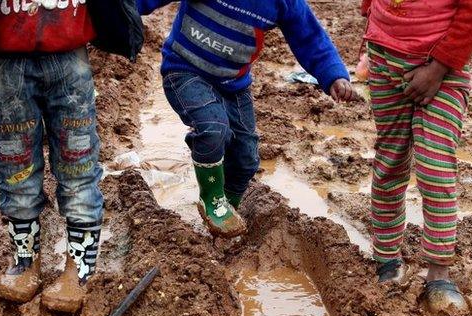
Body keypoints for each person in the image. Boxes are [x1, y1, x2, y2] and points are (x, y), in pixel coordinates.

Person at [0, 0, 142, 313]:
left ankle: (79, 269)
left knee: (78, 165)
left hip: (69, 59)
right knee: (15, 168)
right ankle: (25, 261)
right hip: (4, 64)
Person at [138, 0, 360, 237]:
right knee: (213, 129)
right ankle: (211, 199)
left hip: (234, 84)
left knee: (246, 159)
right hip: (184, 69)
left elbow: (309, 37)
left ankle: (227, 207)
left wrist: (334, 75)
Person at [361, 0, 472, 316]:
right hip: (384, 63)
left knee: (435, 170)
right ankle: (387, 259)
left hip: (442, 69)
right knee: (390, 165)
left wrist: (437, 69)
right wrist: (368, 38)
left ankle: (438, 274)